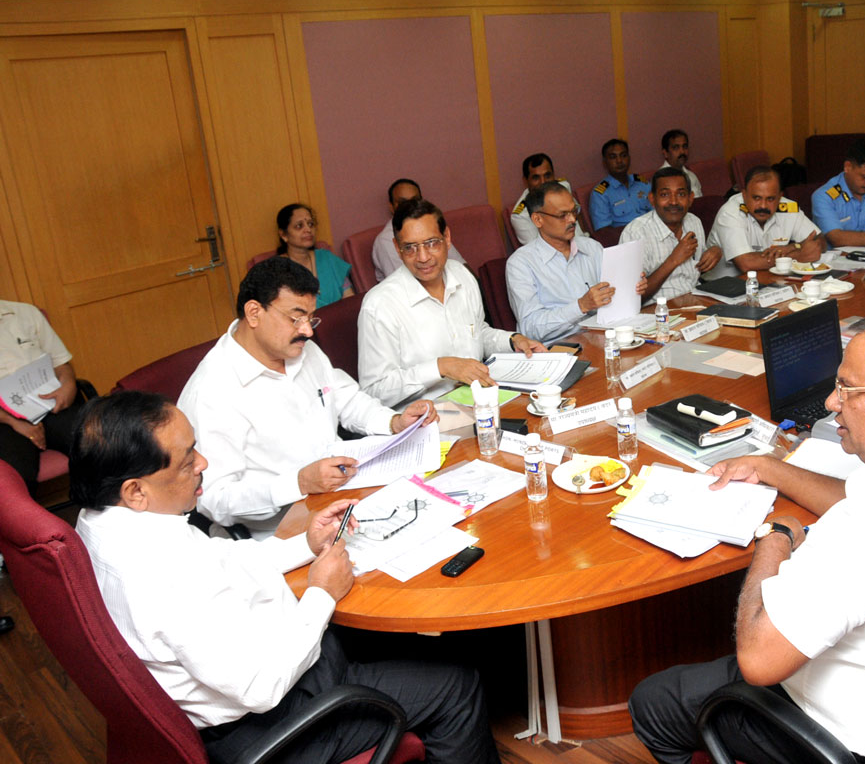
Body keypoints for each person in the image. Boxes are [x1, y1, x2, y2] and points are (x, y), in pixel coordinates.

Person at [629, 310, 865, 762]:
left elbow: (758, 662)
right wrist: (769, 468)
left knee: (655, 701)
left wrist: (773, 542)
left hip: (850, 735)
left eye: (848, 388)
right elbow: (854, 497)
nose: (831, 402)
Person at [72, 391, 499, 764]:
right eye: (186, 462)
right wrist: (321, 593)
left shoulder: (104, 523)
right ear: (135, 491)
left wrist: (306, 546)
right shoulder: (163, 575)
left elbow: (221, 557)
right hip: (274, 725)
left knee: (382, 630)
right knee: (457, 686)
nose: (203, 463)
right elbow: (261, 686)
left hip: (253, 676)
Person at [178, 257, 436, 537]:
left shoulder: (300, 350)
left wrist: (394, 422)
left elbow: (346, 399)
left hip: (348, 498)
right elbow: (215, 499)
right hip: (283, 531)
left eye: (310, 317)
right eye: (296, 318)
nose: (308, 330)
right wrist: (298, 483)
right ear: (254, 313)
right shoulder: (212, 391)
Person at [359, 199, 545, 406]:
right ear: (397, 248)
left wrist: (512, 340)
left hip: (479, 399)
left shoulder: (461, 275)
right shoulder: (380, 305)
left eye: (431, 243)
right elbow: (375, 391)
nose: (423, 257)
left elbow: (477, 333)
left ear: (447, 238)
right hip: (425, 418)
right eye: (410, 247)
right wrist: (440, 367)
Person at [506, 182, 646, 343]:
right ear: (538, 219)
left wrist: (630, 288)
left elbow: (612, 301)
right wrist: (581, 306)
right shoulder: (521, 264)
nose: (572, 219)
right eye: (562, 215)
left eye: (574, 211)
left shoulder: (592, 247)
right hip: (558, 349)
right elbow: (531, 328)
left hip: (601, 338)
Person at [0, 300, 85, 494]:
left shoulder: (24, 313)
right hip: (4, 419)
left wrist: (69, 385)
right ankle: (30, 523)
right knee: (14, 472)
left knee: (94, 439)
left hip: (48, 402)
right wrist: (14, 422)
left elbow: (61, 364)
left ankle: (111, 507)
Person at [618, 167, 721, 301]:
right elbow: (632, 297)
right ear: (652, 199)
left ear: (690, 198)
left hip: (695, 300)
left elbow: (695, 271)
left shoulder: (694, 222)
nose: (673, 202)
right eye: (665, 195)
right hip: (658, 312)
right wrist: (674, 259)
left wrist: (714, 252)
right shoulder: (636, 233)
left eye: (681, 194)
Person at [705, 165, 823, 280]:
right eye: (756, 198)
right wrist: (797, 256)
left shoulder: (788, 208)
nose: (763, 205)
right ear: (744, 195)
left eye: (770, 199)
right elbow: (746, 263)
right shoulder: (730, 212)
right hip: (724, 285)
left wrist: (793, 246)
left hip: (768, 280)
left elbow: (820, 240)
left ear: (780, 196)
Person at [275, 203, 352, 309]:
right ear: (284, 235)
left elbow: (350, 300)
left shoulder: (327, 259)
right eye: (299, 226)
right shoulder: (277, 269)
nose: (308, 230)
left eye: (310, 224)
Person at [509, 153, 581, 246]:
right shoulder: (521, 216)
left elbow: (577, 217)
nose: (543, 182)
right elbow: (537, 249)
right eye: (536, 178)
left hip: (584, 245)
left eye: (547, 176)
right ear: (525, 181)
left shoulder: (563, 187)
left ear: (554, 175)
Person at [590, 138, 652, 230]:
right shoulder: (600, 194)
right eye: (613, 157)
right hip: (626, 239)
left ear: (629, 158)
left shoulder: (642, 183)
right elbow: (604, 231)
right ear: (604, 163)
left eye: (623, 155)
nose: (619, 161)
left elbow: (659, 212)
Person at [660, 129, 702, 197]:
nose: (682, 152)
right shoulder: (660, 180)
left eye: (685, 147)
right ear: (665, 153)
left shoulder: (691, 176)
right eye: (676, 148)